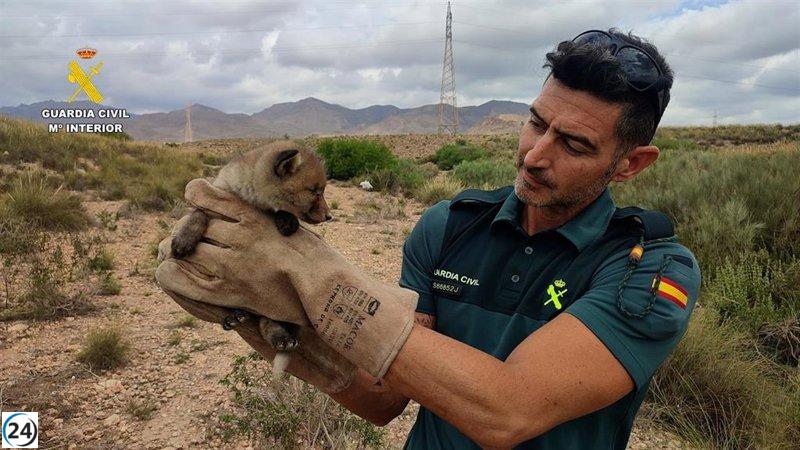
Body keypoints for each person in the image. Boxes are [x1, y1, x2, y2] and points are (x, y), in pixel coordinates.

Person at [157, 28, 700, 449]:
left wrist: (320, 280)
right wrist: (253, 314)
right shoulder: (448, 226)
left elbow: (507, 411)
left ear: (630, 164)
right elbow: (383, 397)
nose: (535, 155)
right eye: (536, 123)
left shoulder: (648, 268)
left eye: (574, 145)